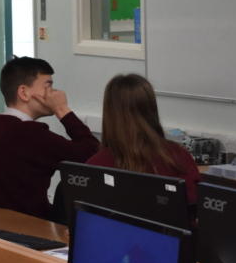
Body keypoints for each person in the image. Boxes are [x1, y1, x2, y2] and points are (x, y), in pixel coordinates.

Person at [0, 56, 98, 218]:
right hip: (29, 224)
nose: (54, 93)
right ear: (24, 93)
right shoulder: (32, 134)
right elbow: (91, 154)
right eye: (48, 86)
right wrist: (62, 110)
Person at [86, 74, 201, 203]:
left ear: (109, 114)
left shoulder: (96, 166)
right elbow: (194, 207)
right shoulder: (178, 156)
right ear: (151, 109)